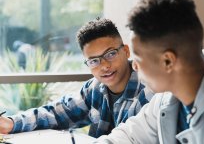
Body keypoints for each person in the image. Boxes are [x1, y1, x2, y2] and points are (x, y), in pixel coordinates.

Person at [95, 0, 204, 143]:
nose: (134, 65)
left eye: (138, 58)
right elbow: (130, 135)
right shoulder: (167, 96)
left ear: (168, 61)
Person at [0, 18, 153, 138]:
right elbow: (57, 113)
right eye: (94, 61)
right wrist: (11, 123)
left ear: (126, 51)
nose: (104, 65)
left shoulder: (149, 91)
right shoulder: (94, 89)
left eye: (111, 54)